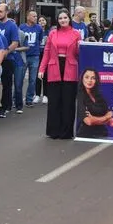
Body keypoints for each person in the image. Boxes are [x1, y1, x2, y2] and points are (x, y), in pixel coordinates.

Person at [39, 9, 81, 139]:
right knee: (54, 101)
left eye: (65, 18)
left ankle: (66, 132)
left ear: (69, 19)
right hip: (54, 68)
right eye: (60, 18)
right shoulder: (52, 33)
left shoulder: (76, 34)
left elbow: (80, 53)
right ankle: (53, 131)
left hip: (70, 68)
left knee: (68, 102)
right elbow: (46, 52)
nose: (63, 20)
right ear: (57, 20)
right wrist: (41, 69)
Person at [0, 3, 22, 117]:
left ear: (6, 12)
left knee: (7, 84)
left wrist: (6, 52)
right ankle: (6, 104)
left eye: (1, 11)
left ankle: (4, 106)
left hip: (8, 59)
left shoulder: (12, 26)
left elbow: (15, 43)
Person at [76, 68, 113, 138]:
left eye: (93, 78)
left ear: (96, 80)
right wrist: (105, 117)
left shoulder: (99, 95)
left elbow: (111, 120)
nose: (89, 80)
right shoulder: (79, 96)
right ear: (82, 79)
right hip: (86, 136)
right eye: (87, 77)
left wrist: (94, 118)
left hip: (103, 134)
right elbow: (89, 121)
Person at [20, 10, 43, 109]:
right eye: (33, 16)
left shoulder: (39, 28)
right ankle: (16, 99)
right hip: (23, 55)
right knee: (19, 79)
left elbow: (40, 39)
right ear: (28, 17)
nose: (35, 18)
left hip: (35, 56)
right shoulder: (21, 27)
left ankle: (29, 99)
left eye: (36, 16)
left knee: (32, 79)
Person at [35, 16, 49, 104]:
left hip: (47, 54)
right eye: (39, 21)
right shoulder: (36, 31)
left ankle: (45, 95)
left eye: (43, 20)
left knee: (46, 75)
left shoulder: (49, 32)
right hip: (38, 54)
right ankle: (37, 94)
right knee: (38, 75)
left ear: (46, 22)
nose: (41, 22)